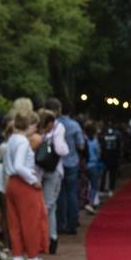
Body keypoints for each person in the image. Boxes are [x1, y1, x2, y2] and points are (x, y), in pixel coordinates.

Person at [3, 111, 52, 260]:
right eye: (35, 125)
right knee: (31, 222)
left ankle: (18, 259)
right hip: (24, 185)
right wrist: (33, 179)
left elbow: (12, 165)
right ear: (30, 125)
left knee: (15, 223)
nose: (36, 129)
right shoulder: (23, 141)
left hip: (12, 183)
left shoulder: (12, 139)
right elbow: (19, 166)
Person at [45, 98, 84, 234]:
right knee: (72, 192)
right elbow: (81, 144)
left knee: (59, 194)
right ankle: (72, 223)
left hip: (55, 163)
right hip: (71, 161)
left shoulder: (52, 124)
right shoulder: (74, 125)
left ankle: (60, 223)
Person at [37, 109, 69, 253]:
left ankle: (48, 237)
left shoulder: (38, 130)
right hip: (53, 169)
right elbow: (61, 149)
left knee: (48, 205)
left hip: (39, 169)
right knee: (49, 205)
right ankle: (49, 237)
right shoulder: (59, 129)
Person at [83, 121, 103, 213]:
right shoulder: (95, 141)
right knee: (94, 185)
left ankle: (86, 201)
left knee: (86, 185)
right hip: (94, 165)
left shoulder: (84, 140)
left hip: (85, 165)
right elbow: (98, 153)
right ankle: (91, 202)